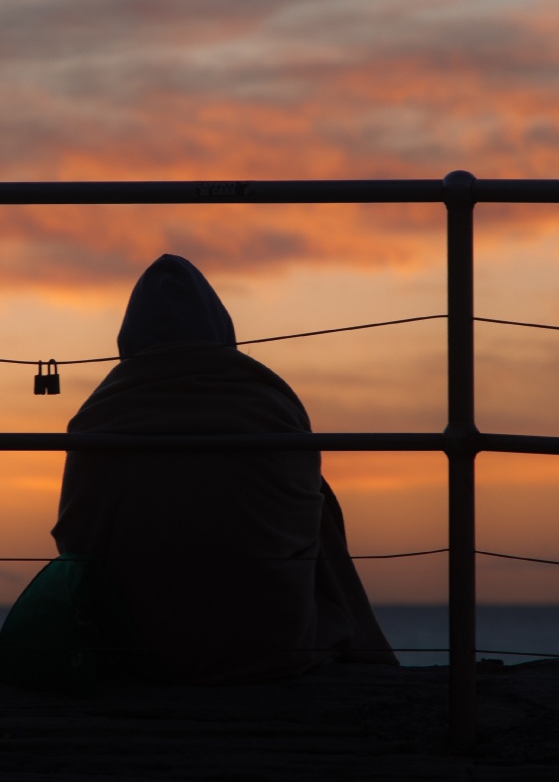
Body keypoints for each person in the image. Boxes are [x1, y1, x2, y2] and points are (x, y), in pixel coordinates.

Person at [52, 254, 397, 683]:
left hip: (135, 649)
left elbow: (74, 541)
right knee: (317, 499)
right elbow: (300, 527)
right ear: (221, 327)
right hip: (270, 645)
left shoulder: (98, 418)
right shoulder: (270, 404)